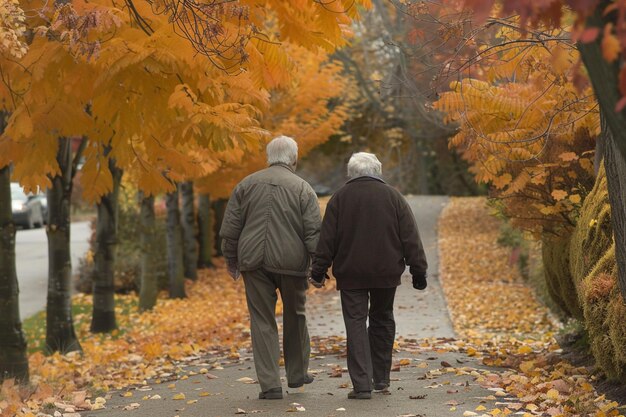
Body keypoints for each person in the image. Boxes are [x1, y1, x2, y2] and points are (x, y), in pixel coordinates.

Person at [310, 152, 428, 400]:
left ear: (350, 173)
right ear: (378, 171)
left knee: (355, 322)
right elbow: (410, 236)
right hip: (385, 271)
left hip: (351, 273)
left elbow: (327, 239)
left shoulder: (340, 198)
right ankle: (381, 379)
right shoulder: (393, 197)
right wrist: (418, 270)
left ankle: (362, 385)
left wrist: (318, 271)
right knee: (382, 319)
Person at [219, 136, 321, 400]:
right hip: (291, 262)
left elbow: (231, 229)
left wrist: (231, 258)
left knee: (262, 319)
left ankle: (270, 385)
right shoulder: (303, 188)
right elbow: (313, 232)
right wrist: (318, 266)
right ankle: (297, 375)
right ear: (294, 159)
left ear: (268, 157)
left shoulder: (246, 184)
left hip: (252, 260)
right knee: (295, 314)